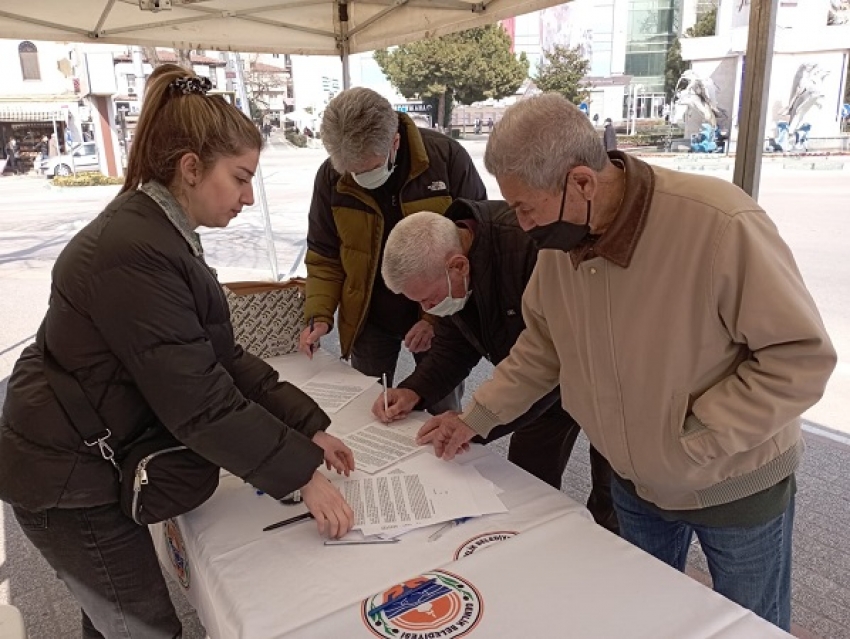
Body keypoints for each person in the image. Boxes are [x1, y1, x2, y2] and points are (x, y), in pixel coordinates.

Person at [416, 93, 836, 631]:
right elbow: (541, 350)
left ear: (583, 183)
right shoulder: (559, 249)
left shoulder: (720, 223)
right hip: (634, 487)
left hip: (735, 484)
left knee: (754, 624)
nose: (521, 225)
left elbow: (799, 357)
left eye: (525, 207)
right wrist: (476, 418)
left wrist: (695, 433)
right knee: (646, 618)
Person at [0, 64, 355, 639]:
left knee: (113, 613)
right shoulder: (134, 250)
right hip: (63, 473)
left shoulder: (157, 233)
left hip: (82, 451)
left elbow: (217, 355)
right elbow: (201, 402)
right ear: (190, 168)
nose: (246, 196)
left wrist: (305, 427)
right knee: (142, 626)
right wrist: (302, 474)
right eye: (239, 178)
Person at [374, 206, 617, 532]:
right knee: (527, 483)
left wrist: (476, 419)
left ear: (458, 266)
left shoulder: (530, 249)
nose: (426, 310)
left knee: (614, 491)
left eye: (430, 300)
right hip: (529, 387)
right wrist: (413, 389)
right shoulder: (455, 266)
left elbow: (547, 360)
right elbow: (453, 347)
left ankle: (610, 554)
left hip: (606, 381)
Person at [299, 87, 487, 415]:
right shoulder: (331, 175)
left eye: (368, 168)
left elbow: (476, 244)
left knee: (440, 404)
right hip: (370, 316)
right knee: (365, 407)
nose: (360, 178)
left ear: (394, 143)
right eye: (352, 172)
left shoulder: (445, 158)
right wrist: (319, 314)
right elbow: (324, 254)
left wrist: (434, 318)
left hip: (439, 312)